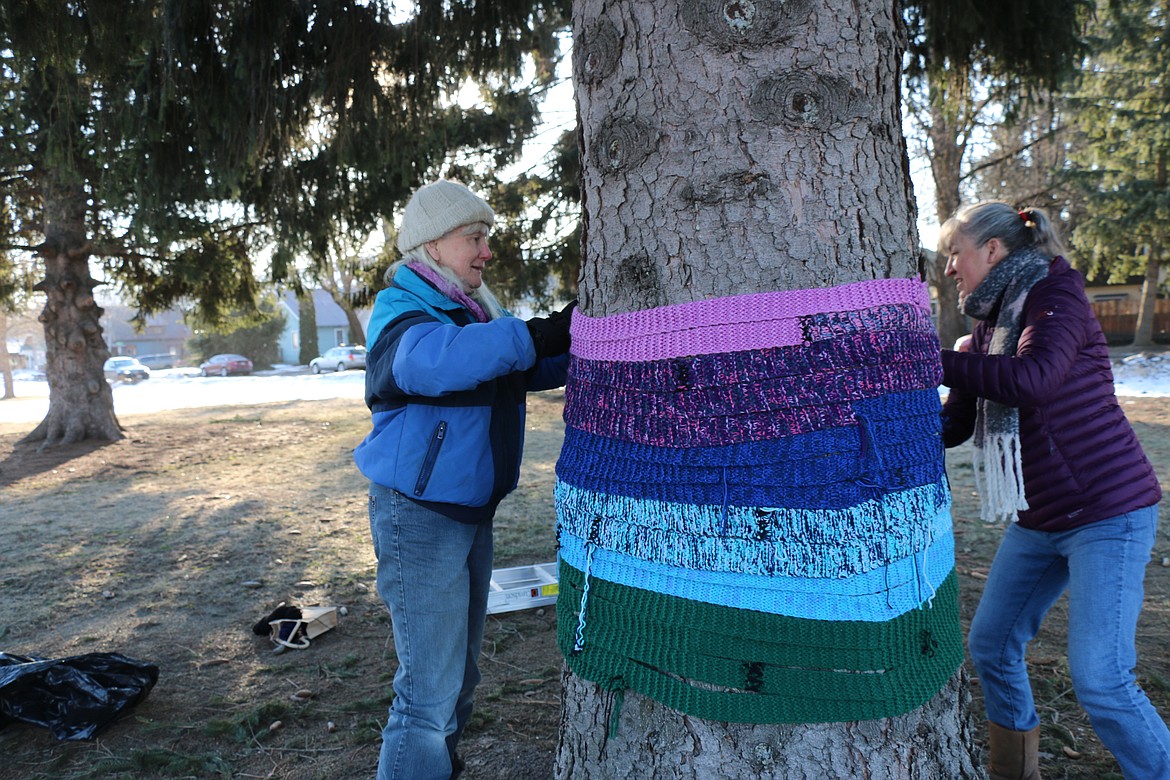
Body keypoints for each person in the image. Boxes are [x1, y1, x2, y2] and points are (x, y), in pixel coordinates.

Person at [938, 200, 1170, 780]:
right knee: (991, 647)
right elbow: (957, 424)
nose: (948, 269)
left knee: (1102, 679)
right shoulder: (988, 322)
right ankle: (1016, 771)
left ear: (992, 250)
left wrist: (928, 362)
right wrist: (882, 418)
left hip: (1107, 512)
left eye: (954, 253)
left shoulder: (1054, 295)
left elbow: (1033, 380)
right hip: (1040, 516)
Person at [354, 179, 572, 780]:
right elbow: (439, 361)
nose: (485, 252)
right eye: (474, 238)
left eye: (486, 239)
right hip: (418, 517)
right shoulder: (404, 310)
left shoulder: (474, 311)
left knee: (459, 680)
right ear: (432, 245)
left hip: (467, 512)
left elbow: (518, 365)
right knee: (427, 697)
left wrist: (583, 338)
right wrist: (536, 334)